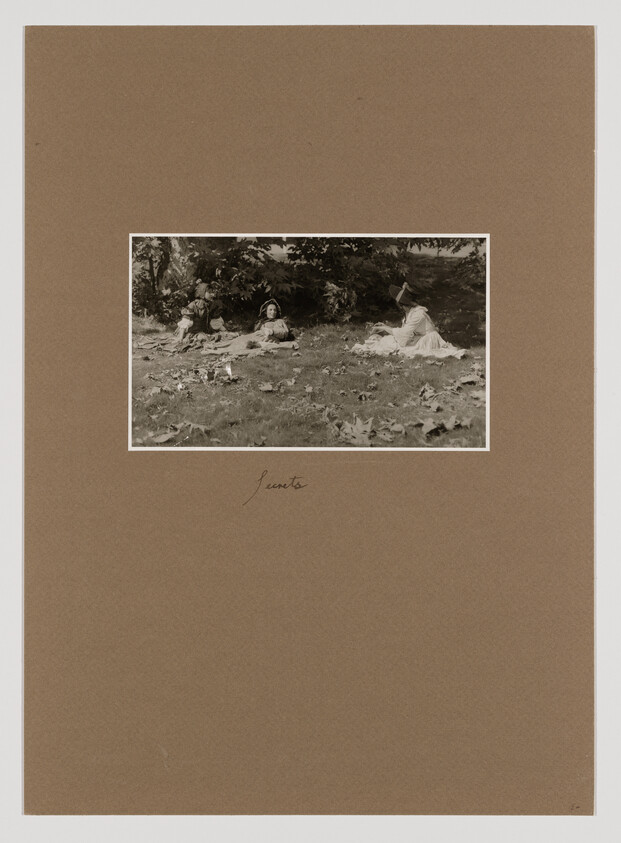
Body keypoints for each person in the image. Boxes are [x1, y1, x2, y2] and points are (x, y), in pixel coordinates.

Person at [352, 282, 465, 359]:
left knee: (394, 345)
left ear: (402, 305)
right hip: (419, 337)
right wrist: (385, 327)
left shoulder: (418, 314)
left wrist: (384, 328)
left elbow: (403, 335)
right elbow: (406, 331)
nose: (400, 308)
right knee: (387, 341)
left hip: (428, 340)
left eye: (400, 305)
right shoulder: (410, 312)